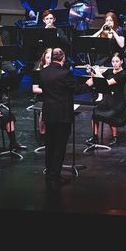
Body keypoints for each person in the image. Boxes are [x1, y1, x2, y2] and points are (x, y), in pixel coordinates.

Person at [39, 48, 88, 184]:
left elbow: (43, 88)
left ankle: (49, 173)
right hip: (62, 115)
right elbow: (76, 90)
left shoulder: (43, 72)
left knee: (50, 145)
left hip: (49, 113)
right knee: (59, 146)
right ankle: (55, 175)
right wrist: (88, 85)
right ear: (63, 58)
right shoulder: (65, 73)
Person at [85, 51, 126, 147]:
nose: (114, 64)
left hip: (118, 101)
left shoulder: (122, 75)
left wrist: (98, 71)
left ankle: (115, 138)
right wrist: (91, 72)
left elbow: (106, 83)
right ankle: (95, 136)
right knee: (95, 112)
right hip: (108, 99)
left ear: (122, 61)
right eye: (113, 62)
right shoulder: (109, 71)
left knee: (112, 113)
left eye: (117, 61)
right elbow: (97, 80)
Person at [31, 47, 53, 145]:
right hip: (42, 97)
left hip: (54, 97)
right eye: (48, 57)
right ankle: (42, 134)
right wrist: (47, 91)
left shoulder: (57, 70)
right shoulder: (38, 71)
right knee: (44, 110)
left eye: (52, 58)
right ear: (44, 58)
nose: (50, 60)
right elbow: (35, 89)